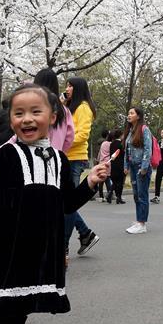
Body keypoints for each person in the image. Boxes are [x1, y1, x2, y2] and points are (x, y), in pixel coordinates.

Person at [0, 83, 109, 324]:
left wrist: (90, 182)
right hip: (0, 260)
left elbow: (67, 204)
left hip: (33, 263)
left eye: (36, 111)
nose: (26, 119)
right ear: (11, 119)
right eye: (18, 113)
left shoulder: (59, 159)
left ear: (53, 117)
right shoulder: (7, 156)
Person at [63, 76, 99, 258]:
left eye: (70, 86)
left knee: (68, 204)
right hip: (65, 157)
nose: (67, 88)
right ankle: (85, 233)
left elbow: (82, 135)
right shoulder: (70, 107)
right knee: (66, 202)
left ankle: (63, 246)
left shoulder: (83, 108)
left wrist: (62, 142)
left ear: (77, 88)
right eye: (66, 85)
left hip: (74, 158)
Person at [123, 107, 153, 233]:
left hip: (142, 167)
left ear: (138, 116)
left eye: (131, 113)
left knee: (142, 195)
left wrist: (145, 167)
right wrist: (126, 166)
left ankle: (142, 224)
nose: (129, 115)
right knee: (136, 195)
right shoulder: (130, 130)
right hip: (133, 166)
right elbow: (127, 150)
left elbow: (148, 148)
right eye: (128, 113)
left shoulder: (144, 129)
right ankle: (139, 220)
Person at [107, 129, 126, 204]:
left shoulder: (111, 144)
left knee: (115, 181)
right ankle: (119, 197)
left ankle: (110, 194)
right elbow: (123, 154)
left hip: (113, 164)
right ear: (121, 135)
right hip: (121, 164)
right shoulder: (121, 144)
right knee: (120, 182)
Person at [96, 130, 113, 201]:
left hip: (101, 162)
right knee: (107, 179)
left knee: (101, 180)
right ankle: (109, 195)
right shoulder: (110, 144)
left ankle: (101, 196)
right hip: (108, 163)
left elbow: (100, 153)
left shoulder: (103, 144)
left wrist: (97, 161)